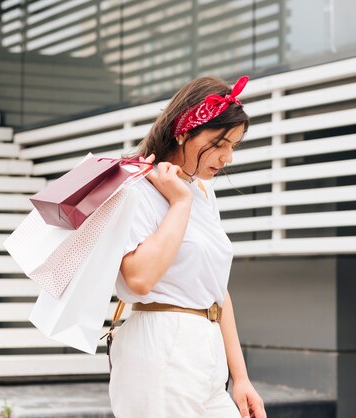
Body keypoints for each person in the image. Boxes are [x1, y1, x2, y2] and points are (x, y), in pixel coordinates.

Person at [107, 75, 267, 418]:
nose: (227, 157)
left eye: (233, 146)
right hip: (161, 344)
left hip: (206, 350)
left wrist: (241, 378)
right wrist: (179, 205)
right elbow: (137, 279)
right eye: (219, 142)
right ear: (183, 131)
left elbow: (217, 290)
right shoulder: (137, 187)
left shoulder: (203, 192)